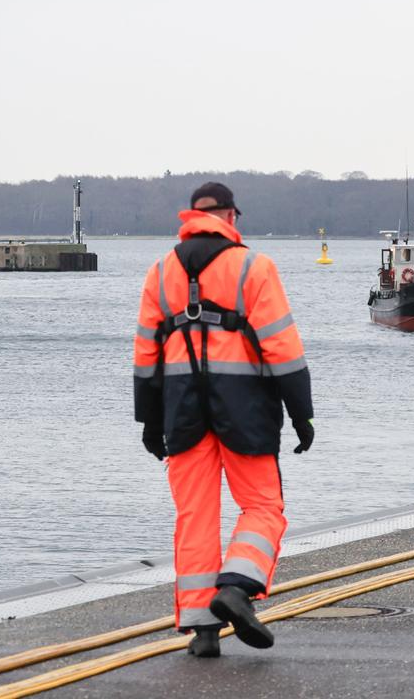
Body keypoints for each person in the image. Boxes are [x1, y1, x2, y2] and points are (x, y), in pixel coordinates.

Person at [133, 181, 315, 658]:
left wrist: (149, 422)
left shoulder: (160, 271)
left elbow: (145, 354)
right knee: (262, 506)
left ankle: (203, 630)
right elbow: (283, 346)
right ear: (232, 216)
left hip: (181, 411)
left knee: (195, 515)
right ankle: (238, 584)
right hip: (246, 409)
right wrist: (302, 413)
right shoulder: (254, 267)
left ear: (190, 216)